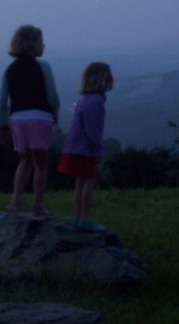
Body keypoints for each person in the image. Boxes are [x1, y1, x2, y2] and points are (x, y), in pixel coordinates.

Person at [0, 25, 60, 220]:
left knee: (25, 160)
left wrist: (2, 126)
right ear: (31, 45)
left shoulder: (10, 69)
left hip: (18, 120)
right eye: (41, 41)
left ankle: (15, 201)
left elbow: (1, 100)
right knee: (41, 163)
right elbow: (53, 96)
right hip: (40, 117)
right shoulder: (43, 66)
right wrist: (54, 113)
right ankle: (38, 205)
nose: (44, 45)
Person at [57, 62, 113, 233]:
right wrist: (98, 149)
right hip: (85, 150)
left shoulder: (85, 100)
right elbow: (93, 130)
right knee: (89, 181)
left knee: (80, 182)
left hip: (74, 148)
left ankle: (78, 217)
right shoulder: (96, 101)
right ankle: (85, 218)